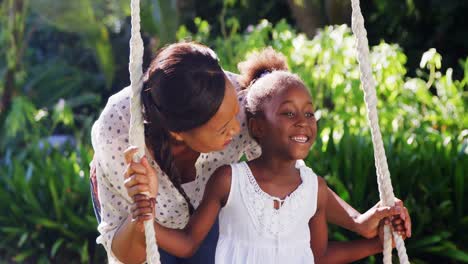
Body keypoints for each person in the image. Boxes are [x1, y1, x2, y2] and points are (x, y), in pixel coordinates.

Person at [91, 42, 411, 264]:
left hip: (205, 216)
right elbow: (128, 254)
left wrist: (360, 221)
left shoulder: (243, 106)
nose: (237, 128)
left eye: (237, 114)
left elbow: (294, 177)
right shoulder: (119, 139)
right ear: (178, 133)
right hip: (140, 222)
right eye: (222, 129)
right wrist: (141, 209)